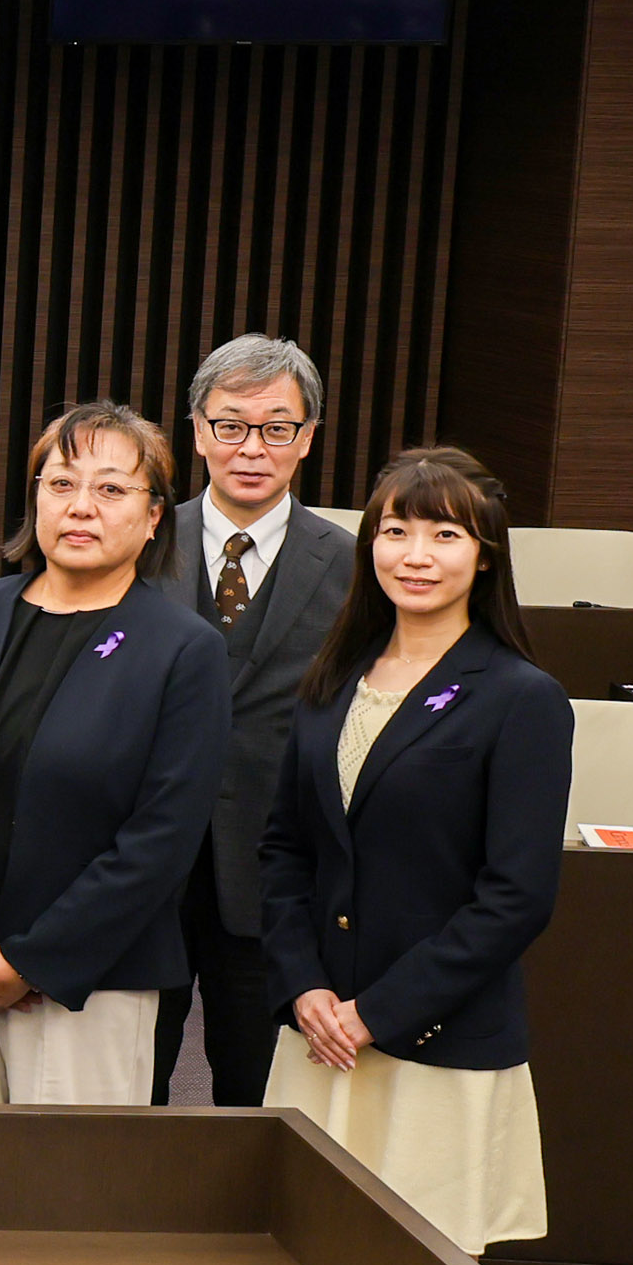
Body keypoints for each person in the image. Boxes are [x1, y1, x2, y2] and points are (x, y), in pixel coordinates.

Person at [0, 402, 230, 1106]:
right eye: (60, 483)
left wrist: (28, 961)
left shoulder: (182, 649)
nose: (81, 507)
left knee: (67, 1198)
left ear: (154, 516)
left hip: (87, 983)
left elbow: (160, 839)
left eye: (111, 489)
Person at [260, 449, 571, 1255]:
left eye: (444, 534)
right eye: (394, 531)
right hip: (320, 1033)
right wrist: (306, 990)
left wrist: (376, 1014)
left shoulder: (519, 697)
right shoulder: (330, 682)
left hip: (433, 1040)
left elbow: (515, 896)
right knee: (301, 1262)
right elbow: (285, 852)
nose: (416, 555)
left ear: (485, 555)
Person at [149, 335, 355, 1107]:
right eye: (231, 425)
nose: (251, 448)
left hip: (273, 871)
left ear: (305, 439)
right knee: (127, 1091)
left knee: (257, 1093)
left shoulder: (352, 564)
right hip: (143, 863)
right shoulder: (136, 543)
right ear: (198, 431)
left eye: (276, 428)